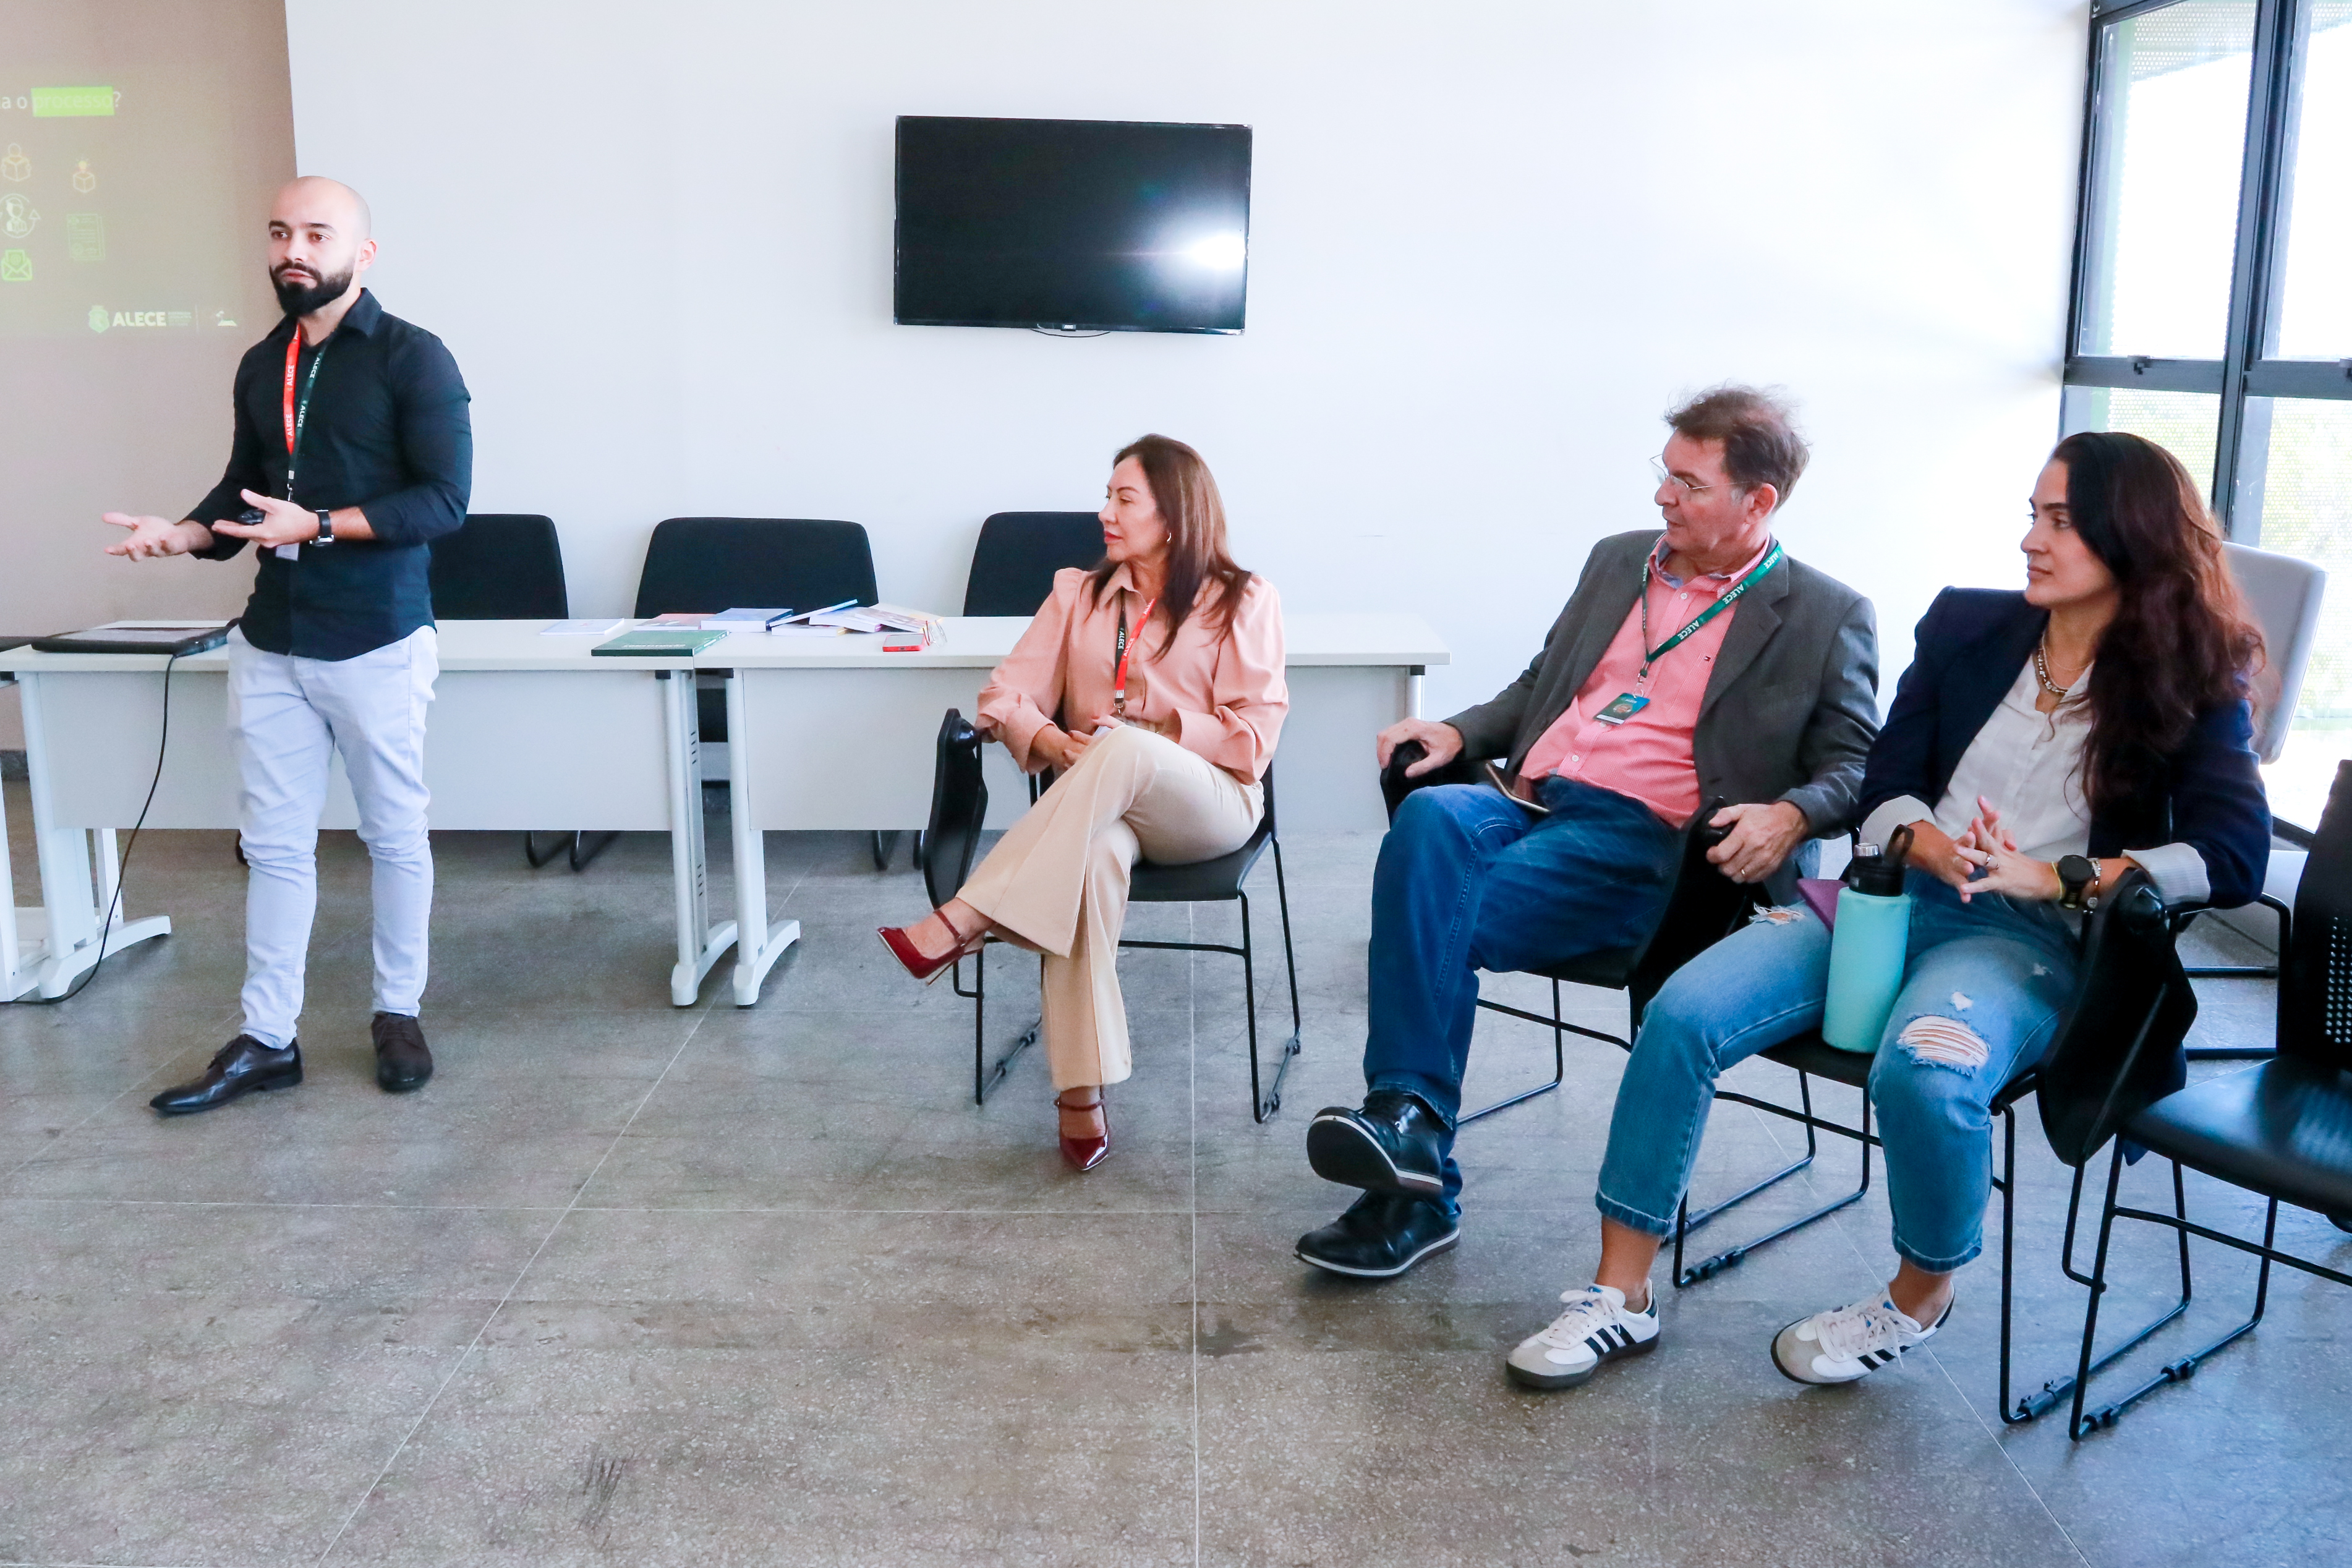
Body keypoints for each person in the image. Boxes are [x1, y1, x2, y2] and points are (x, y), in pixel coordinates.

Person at [1505, 430, 2270, 1393]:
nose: (2031, 539)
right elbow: (1885, 778)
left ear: (2132, 537)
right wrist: (1925, 840)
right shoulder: (1969, 627)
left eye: (2061, 522)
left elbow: (2232, 855)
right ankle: (1621, 1295)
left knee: (1927, 1072)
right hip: (1888, 899)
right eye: (2032, 516)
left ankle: (1917, 1297)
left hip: (2028, 939)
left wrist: (2060, 877)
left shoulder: (2196, 675)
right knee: (1684, 1013)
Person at [1297, 386, 1880, 1279]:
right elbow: (1544, 683)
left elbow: (1858, 764)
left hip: (1651, 847)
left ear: (1757, 501)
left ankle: (1412, 1165)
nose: (1662, 496)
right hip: (1533, 800)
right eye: (1664, 474)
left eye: (1689, 484)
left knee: (1432, 920)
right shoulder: (1618, 561)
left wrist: (1792, 814)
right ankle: (1409, 1135)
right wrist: (1458, 730)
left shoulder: (1826, 614)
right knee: (1432, 812)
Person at [101, 176, 472, 1113]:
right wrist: (185, 533)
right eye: (279, 233)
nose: (293, 251)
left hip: (379, 635)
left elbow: (444, 501)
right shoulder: (263, 361)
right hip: (272, 639)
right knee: (272, 846)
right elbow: (243, 487)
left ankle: (398, 1012)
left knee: (394, 834)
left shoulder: (414, 357)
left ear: (363, 253)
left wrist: (322, 525)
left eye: (316, 233)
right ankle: (269, 1037)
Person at [877, 435, 1285, 1170]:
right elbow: (1003, 695)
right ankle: (1080, 1094)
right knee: (1089, 860)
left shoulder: (1242, 599)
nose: (1105, 513)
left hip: (1210, 804)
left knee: (1125, 746)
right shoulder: (1078, 594)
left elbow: (1254, 738)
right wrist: (1053, 743)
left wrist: (1160, 733)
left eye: (1125, 499)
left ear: (1175, 516)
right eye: (1108, 496)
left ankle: (967, 916)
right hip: (1103, 809)